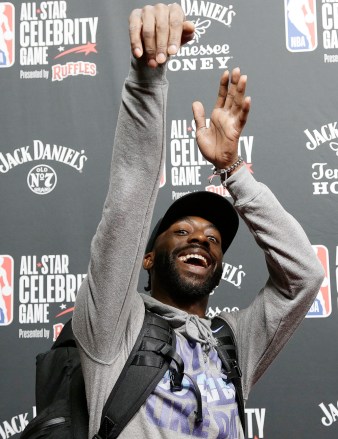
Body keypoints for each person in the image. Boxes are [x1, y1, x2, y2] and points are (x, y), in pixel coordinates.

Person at [73, 4, 324, 438]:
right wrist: (148, 78)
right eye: (183, 231)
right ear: (148, 258)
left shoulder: (233, 344)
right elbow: (129, 199)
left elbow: (304, 276)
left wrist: (234, 172)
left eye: (212, 238)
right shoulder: (113, 326)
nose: (202, 240)